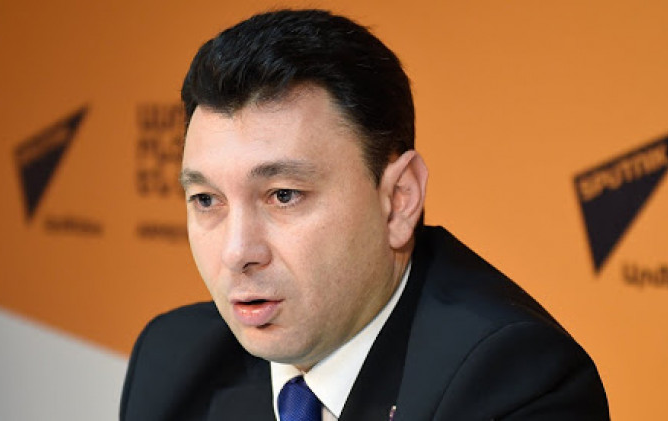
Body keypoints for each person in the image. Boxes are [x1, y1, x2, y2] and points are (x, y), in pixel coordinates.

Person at [120, 9, 609, 421]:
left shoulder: (513, 384)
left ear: (399, 199)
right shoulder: (173, 360)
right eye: (207, 200)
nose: (236, 252)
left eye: (283, 195)